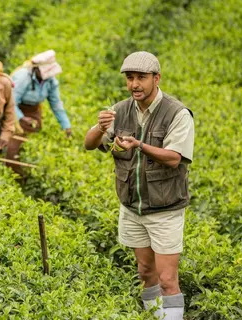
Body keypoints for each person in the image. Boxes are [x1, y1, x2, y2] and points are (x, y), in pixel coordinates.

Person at [84, 51, 194, 319]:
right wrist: (100, 127)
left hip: (165, 209)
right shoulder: (119, 111)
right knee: (146, 273)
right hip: (132, 207)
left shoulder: (177, 113)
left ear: (156, 79)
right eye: (130, 78)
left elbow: (175, 158)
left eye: (141, 78)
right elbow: (89, 144)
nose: (134, 84)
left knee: (168, 279)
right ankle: (154, 316)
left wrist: (140, 146)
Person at [6, 50, 72, 176]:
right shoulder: (23, 77)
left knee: (32, 139)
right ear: (36, 69)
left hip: (33, 110)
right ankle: (13, 171)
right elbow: (12, 102)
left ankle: (27, 172)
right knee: (14, 142)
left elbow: (56, 104)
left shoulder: (51, 81)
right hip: (15, 109)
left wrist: (66, 126)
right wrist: (21, 118)